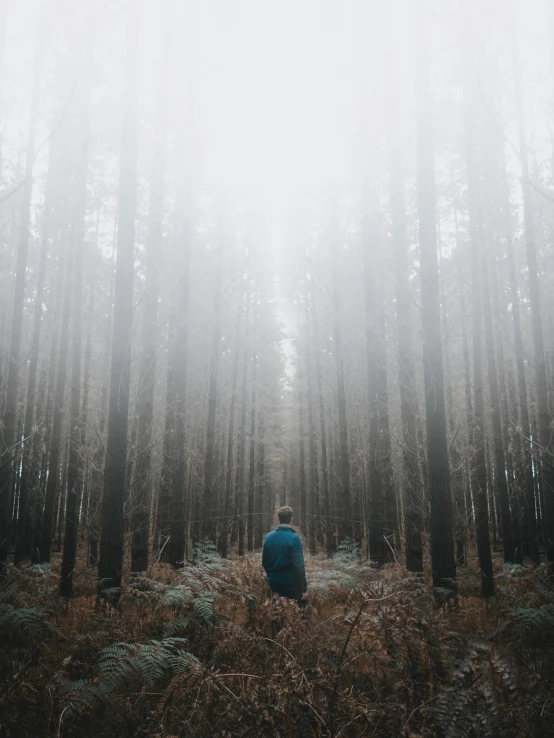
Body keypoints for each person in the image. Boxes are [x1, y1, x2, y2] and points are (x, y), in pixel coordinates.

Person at [262, 506, 311, 630]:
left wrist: (272, 575)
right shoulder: (294, 538)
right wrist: (304, 589)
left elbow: (265, 562)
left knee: (277, 609)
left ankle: (275, 638)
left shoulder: (269, 537)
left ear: (278, 519)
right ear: (292, 519)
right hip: (291, 583)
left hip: (273, 581)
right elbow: (299, 566)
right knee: (304, 609)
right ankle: (301, 635)